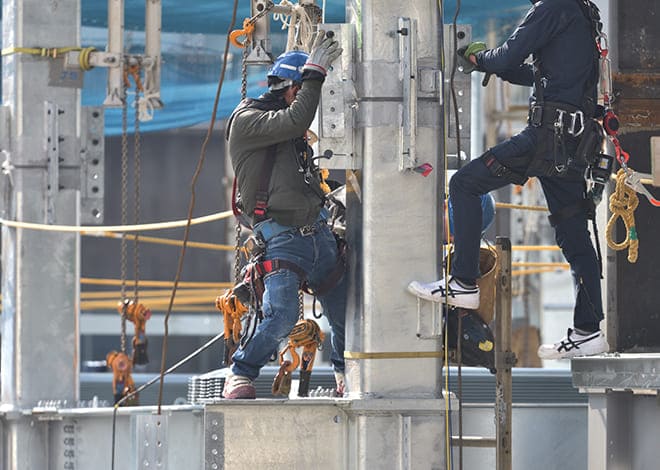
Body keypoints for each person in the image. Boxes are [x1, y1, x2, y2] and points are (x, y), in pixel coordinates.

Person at [408, 0, 609, 359]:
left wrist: (483, 58)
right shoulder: (583, 13)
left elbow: (506, 57)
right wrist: (490, 65)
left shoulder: (552, 7)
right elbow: (540, 73)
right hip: (573, 144)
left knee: (464, 185)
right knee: (574, 233)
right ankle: (588, 331)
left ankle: (464, 281)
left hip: (545, 138)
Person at [223, 32, 347, 399]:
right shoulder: (248, 121)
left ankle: (344, 375)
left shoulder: (288, 128)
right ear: (292, 89)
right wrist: (316, 72)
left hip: (318, 236)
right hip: (282, 240)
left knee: (345, 313)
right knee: (280, 316)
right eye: (305, 90)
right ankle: (241, 372)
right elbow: (295, 120)